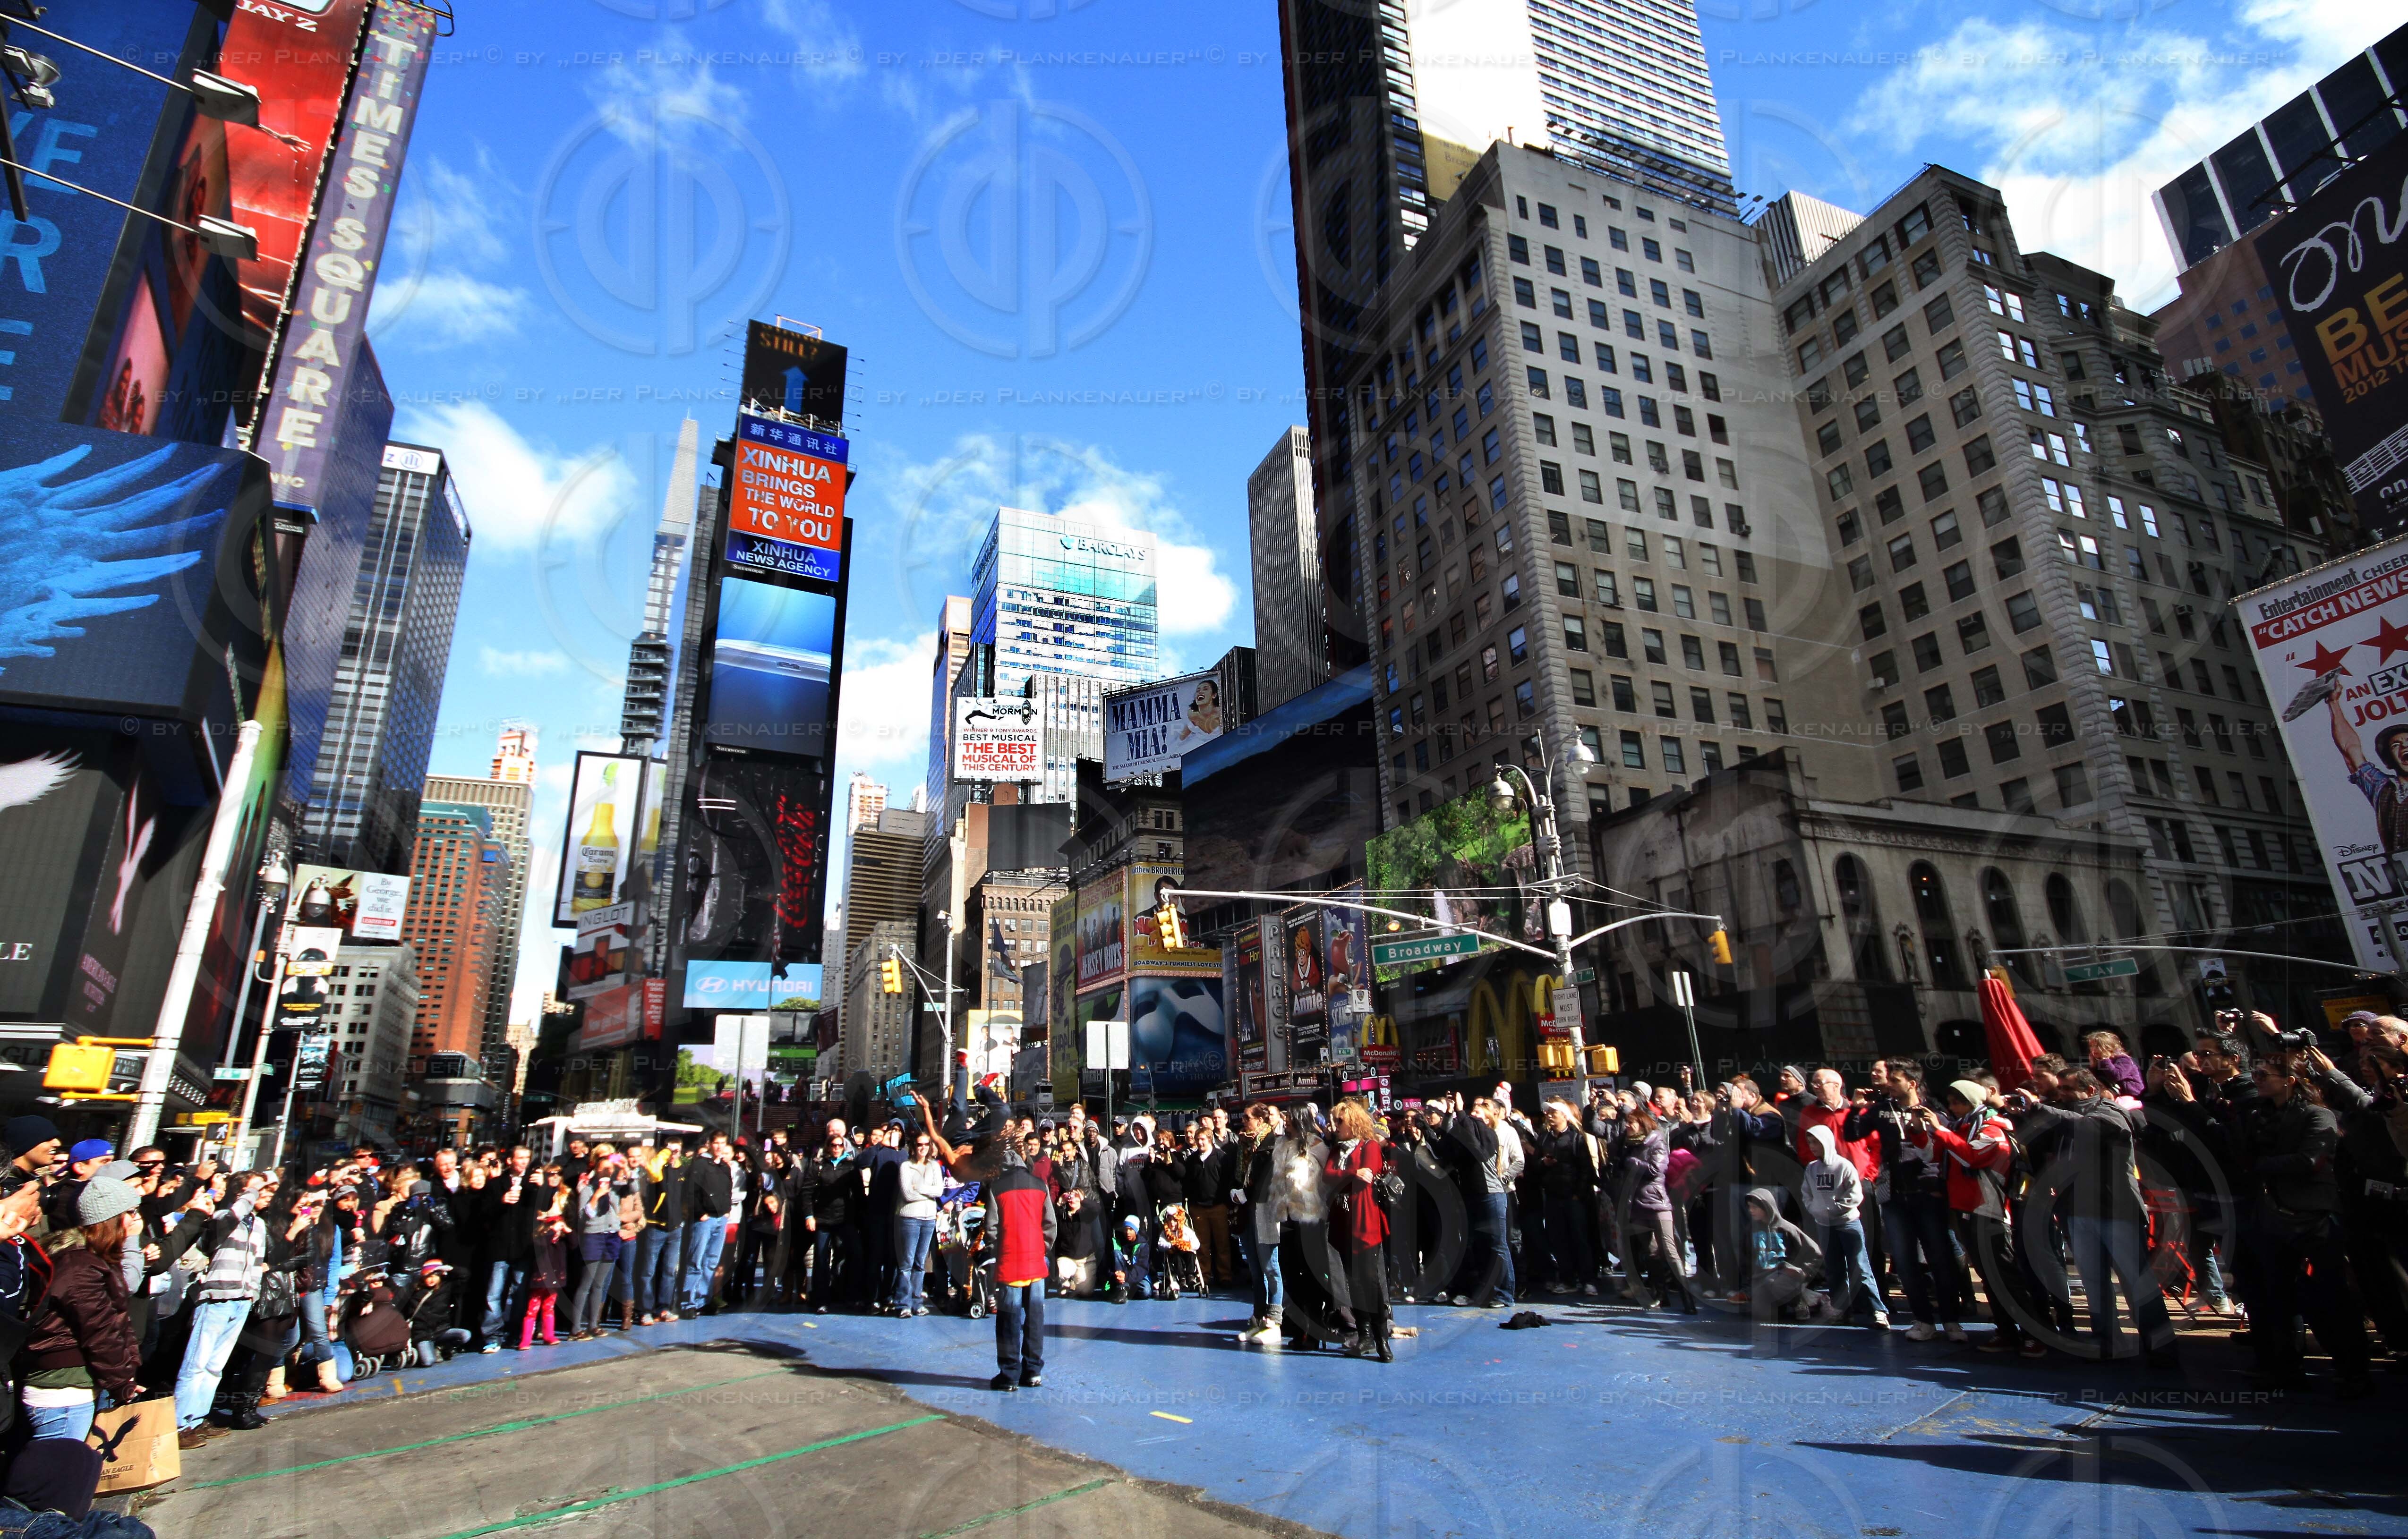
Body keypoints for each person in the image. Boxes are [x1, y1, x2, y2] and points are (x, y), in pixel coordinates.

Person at [2001, 1070, 2172, 1364]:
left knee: (2136, 1284)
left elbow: (2091, 1126)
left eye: (2068, 1089)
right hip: (2077, 1211)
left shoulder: (2110, 1111)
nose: (2063, 1093)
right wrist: (2021, 1114)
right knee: (2094, 1282)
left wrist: (2041, 1108)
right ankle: (2109, 1342)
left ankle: (2161, 1350)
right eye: (2061, 1088)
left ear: (2090, 1089)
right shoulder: (2061, 1116)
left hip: (2117, 1212)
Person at [2234, 1049, 2374, 1397]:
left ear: (2290, 1080)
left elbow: (2309, 1160)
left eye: (2265, 1075)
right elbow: (2243, 1155)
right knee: (2277, 1296)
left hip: (2314, 1216)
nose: (2258, 1080)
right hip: (2273, 1216)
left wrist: (2263, 1164)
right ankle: (2288, 1368)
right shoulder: (2258, 1115)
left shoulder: (2318, 1114)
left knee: (2330, 1296)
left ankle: (2353, 1369)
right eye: (2257, 1074)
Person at [16, 1176, 142, 1442]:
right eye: (130, 1212)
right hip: (64, 1390)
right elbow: (100, 1331)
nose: (135, 1220)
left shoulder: (90, 1258)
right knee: (57, 1480)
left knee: (60, 1476)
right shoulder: (79, 1265)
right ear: (109, 1218)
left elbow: (114, 1322)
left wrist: (125, 1374)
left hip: (77, 1384)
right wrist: (121, 1383)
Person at [173, 1170, 275, 1446]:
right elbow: (226, 1224)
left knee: (215, 1366)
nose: (264, 1194)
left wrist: (252, 1293)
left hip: (241, 1299)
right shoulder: (223, 1217)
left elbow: (257, 1261)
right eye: (258, 1189)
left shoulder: (259, 1225)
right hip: (217, 1298)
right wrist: (248, 1195)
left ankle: (198, 1419)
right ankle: (180, 1424)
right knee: (196, 1363)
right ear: (242, 1193)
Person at [1323, 1099, 1392, 1361]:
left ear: (1353, 1122)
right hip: (1343, 1221)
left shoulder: (1370, 1145)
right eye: (1334, 1122)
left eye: (1339, 1122)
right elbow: (1328, 1176)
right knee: (1354, 1281)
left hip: (1365, 1222)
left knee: (1370, 1282)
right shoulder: (1337, 1149)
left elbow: (1370, 1172)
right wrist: (1352, 1172)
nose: (1335, 1127)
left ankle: (1381, 1337)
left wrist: (1345, 1173)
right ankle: (1364, 1336)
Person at [1801, 1124, 1886, 1328]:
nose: (1813, 1146)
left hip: (1847, 1223)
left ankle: (1877, 1310)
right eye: (1810, 1142)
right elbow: (1807, 1194)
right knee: (1834, 1268)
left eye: (1816, 1142)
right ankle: (1841, 1308)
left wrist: (1836, 1209)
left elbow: (1856, 1194)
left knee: (1859, 1266)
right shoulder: (1811, 1168)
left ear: (1827, 1143)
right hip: (1824, 1225)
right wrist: (1816, 1210)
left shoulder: (1844, 1166)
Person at [1742, 1186, 1825, 1321]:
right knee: (1763, 1315)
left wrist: (1804, 1272)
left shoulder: (1787, 1228)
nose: (1751, 1211)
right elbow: (1745, 1256)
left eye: (1755, 1208)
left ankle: (1800, 1301)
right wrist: (1748, 1283)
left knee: (1774, 1282)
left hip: (1786, 1275)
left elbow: (1815, 1253)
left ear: (1767, 1207)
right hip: (1762, 1277)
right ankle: (1806, 1297)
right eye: (1749, 1207)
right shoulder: (1750, 1230)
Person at [681, 1132, 735, 1317]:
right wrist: (700, 1213)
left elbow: (728, 1189)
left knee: (711, 1262)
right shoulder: (699, 1165)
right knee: (695, 1260)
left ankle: (703, 1300)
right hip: (704, 1219)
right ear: (710, 1144)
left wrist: (727, 1211)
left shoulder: (725, 1167)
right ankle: (688, 1303)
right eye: (716, 1143)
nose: (719, 1147)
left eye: (722, 1143)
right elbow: (691, 1191)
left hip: (721, 1218)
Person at [891, 1132, 944, 1317]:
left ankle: (917, 1302)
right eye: (920, 1144)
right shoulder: (906, 1166)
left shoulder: (935, 1166)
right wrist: (928, 1193)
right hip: (909, 1219)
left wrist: (920, 1188)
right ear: (914, 1146)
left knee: (921, 1263)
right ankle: (903, 1304)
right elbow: (908, 1194)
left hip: (929, 1218)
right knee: (907, 1262)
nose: (923, 1148)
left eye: (926, 1144)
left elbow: (939, 1191)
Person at [635, 1140, 687, 1325]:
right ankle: (645, 1310)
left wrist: (676, 1156)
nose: (674, 1153)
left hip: (675, 1228)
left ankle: (664, 1308)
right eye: (670, 1150)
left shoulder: (680, 1171)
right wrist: (667, 1151)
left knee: (669, 1271)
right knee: (648, 1271)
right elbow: (654, 1167)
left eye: (677, 1150)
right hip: (656, 1227)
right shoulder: (658, 1172)